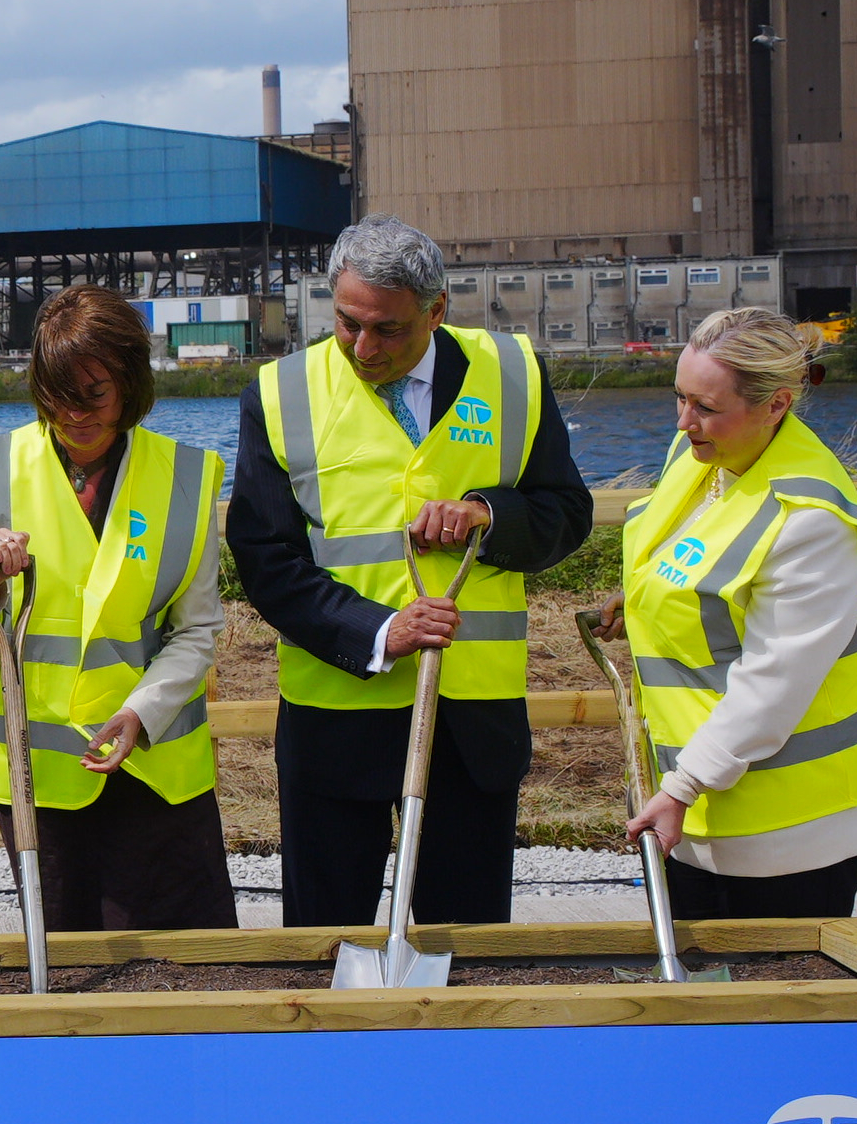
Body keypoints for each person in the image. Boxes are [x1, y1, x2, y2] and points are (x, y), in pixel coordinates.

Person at [228, 216, 593, 927]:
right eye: (346, 323)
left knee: (464, 945)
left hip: (474, 726)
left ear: (435, 312)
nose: (363, 348)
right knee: (326, 948)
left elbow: (566, 512)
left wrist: (491, 514)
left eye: (387, 331)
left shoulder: (511, 372)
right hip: (335, 721)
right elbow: (266, 559)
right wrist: (378, 631)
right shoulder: (279, 394)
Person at [0, 284, 234, 930]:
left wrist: (140, 715)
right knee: (66, 958)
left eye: (94, 395)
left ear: (130, 384)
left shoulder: (187, 477)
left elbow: (197, 629)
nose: (75, 415)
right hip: (36, 771)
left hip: (155, 766)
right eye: (58, 397)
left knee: (186, 959)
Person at [608, 306, 857, 918]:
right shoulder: (706, 454)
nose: (684, 421)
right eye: (679, 398)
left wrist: (681, 788)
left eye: (706, 407)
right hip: (707, 801)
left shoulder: (809, 521)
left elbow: (773, 683)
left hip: (798, 821)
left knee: (777, 1001)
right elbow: (697, 563)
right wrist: (638, 603)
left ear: (776, 403)